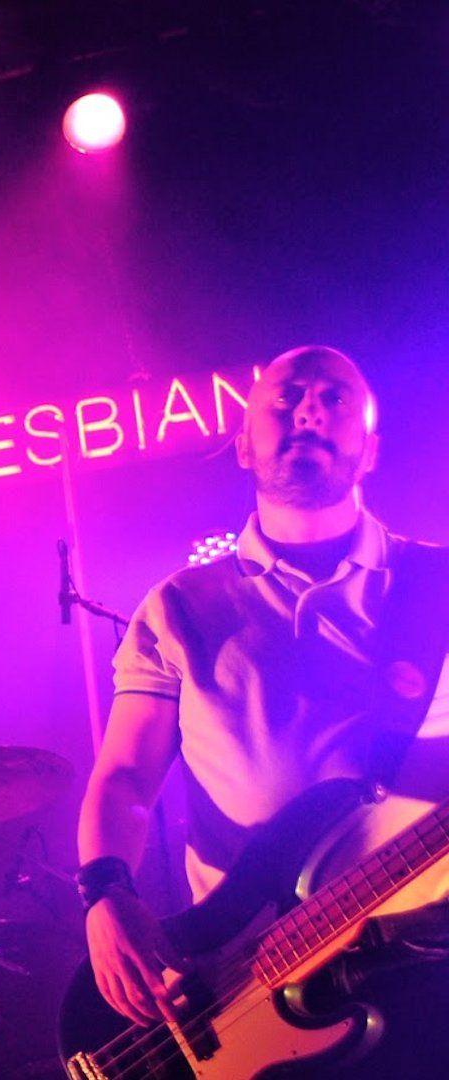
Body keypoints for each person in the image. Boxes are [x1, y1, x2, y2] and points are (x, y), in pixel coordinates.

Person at [76, 346, 449, 1066]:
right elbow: (123, 777)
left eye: (335, 398)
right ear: (243, 444)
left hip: (422, 971)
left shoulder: (439, 584)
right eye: (286, 397)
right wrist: (105, 892)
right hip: (236, 986)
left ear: (370, 452)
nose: (309, 409)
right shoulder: (178, 608)